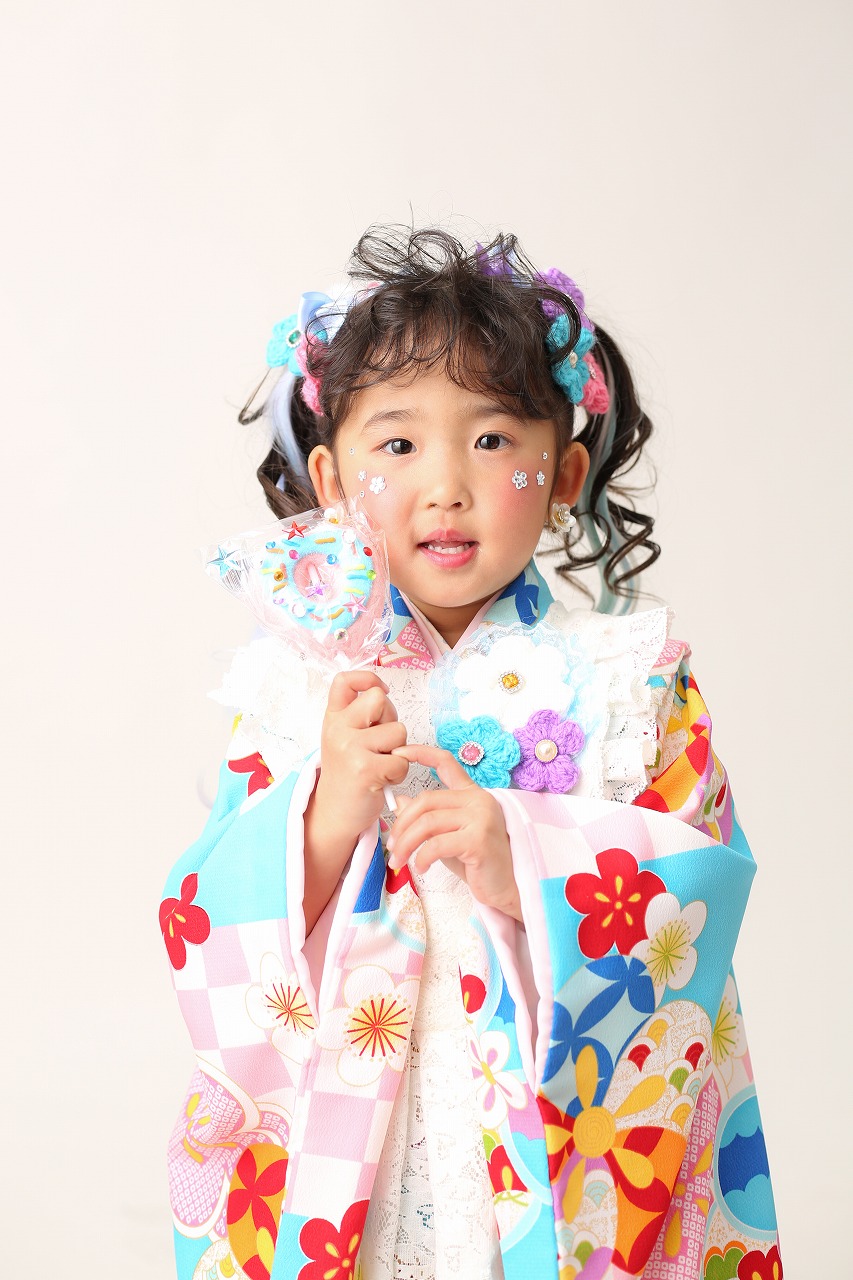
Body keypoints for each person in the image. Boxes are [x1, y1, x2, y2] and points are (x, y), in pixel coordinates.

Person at [160, 228, 781, 1280]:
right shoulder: (296, 688)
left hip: (550, 1132)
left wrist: (525, 859)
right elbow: (207, 916)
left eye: (492, 440)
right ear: (330, 477)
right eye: (398, 445)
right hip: (362, 1134)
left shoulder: (629, 680)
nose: (446, 483)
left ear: (564, 471)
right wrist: (329, 812)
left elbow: (701, 888)